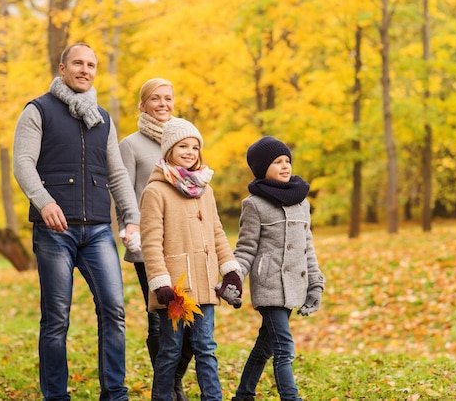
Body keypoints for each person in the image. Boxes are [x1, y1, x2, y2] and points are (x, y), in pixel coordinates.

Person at [12, 42, 139, 401]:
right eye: (78, 63)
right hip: (55, 232)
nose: (86, 69)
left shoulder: (103, 118)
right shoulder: (38, 110)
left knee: (113, 311)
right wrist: (44, 201)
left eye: (92, 65)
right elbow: (23, 163)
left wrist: (131, 219)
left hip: (99, 230)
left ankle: (114, 394)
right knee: (56, 319)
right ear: (62, 67)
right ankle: (56, 396)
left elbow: (116, 174)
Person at [139, 118, 242, 401]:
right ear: (169, 149)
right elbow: (150, 243)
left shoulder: (205, 190)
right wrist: (161, 283)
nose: (190, 151)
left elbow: (218, 232)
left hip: (206, 285)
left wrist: (229, 269)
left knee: (205, 347)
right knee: (171, 350)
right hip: (175, 290)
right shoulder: (155, 191)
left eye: (195, 147)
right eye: (183, 145)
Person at [230, 136, 326, 401]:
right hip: (269, 285)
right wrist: (234, 277)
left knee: (266, 346)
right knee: (284, 347)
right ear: (262, 169)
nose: (285, 166)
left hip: (295, 285)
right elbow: (245, 248)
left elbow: (308, 247)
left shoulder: (302, 202)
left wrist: (315, 284)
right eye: (277, 162)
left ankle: (243, 394)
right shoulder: (254, 204)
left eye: (287, 161)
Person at [117, 78, 193, 400]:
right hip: (147, 246)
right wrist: (126, 231)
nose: (163, 104)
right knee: (161, 321)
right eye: (155, 99)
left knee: (190, 325)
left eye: (168, 98)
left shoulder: (185, 140)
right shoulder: (131, 145)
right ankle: (169, 389)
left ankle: (172, 378)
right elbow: (121, 194)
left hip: (183, 244)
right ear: (142, 104)